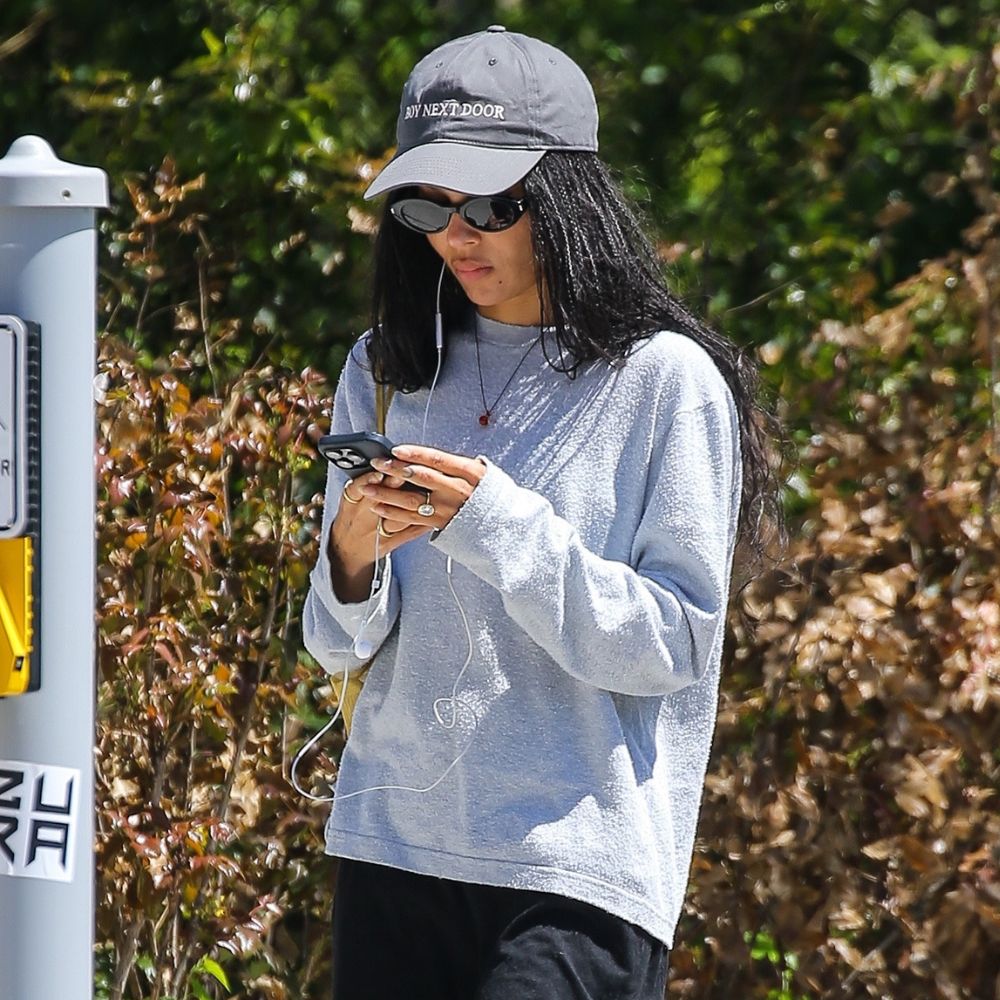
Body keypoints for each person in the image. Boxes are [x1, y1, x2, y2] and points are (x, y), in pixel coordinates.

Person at [302, 23, 779, 1000]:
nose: (454, 233)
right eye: (426, 204)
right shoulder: (385, 368)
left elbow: (673, 643)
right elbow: (337, 646)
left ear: (562, 196)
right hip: (392, 844)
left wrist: (495, 525)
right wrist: (350, 557)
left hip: (575, 869)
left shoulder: (661, 381)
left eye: (487, 201)